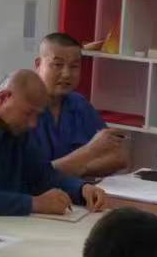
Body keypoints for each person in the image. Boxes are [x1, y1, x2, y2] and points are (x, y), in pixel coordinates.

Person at [0, 70, 107, 216]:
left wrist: (81, 189)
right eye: (28, 114)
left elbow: (42, 176)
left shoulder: (17, 128)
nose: (33, 124)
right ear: (3, 98)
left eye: (37, 116)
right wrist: (34, 203)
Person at [29, 32, 129, 177]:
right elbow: (31, 176)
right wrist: (89, 152)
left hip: (80, 187)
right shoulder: (23, 107)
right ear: (38, 65)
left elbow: (119, 157)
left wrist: (78, 169)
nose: (66, 74)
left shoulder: (79, 104)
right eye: (58, 65)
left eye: (74, 66)